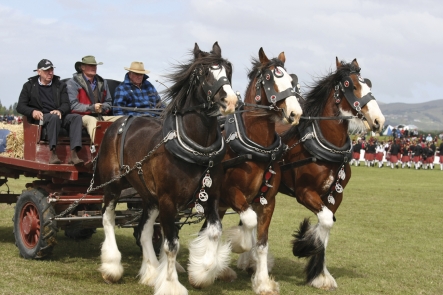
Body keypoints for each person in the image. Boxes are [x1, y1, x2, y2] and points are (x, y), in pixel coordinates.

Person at [17, 59, 84, 165]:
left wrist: (60, 110)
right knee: (54, 117)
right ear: (39, 72)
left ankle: (74, 154)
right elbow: (20, 106)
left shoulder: (60, 85)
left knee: (76, 117)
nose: (51, 72)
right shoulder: (29, 86)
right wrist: (32, 111)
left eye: (52, 69)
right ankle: (53, 153)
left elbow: (67, 104)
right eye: (47, 70)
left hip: (58, 115)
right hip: (42, 117)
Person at [67, 55, 120, 142]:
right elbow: (73, 106)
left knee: (124, 119)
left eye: (95, 66)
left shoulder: (102, 82)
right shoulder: (73, 83)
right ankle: (99, 151)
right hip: (81, 116)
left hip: (100, 115)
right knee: (92, 121)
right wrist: (92, 108)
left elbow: (108, 102)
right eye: (91, 65)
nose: (94, 68)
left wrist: (102, 108)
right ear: (82, 67)